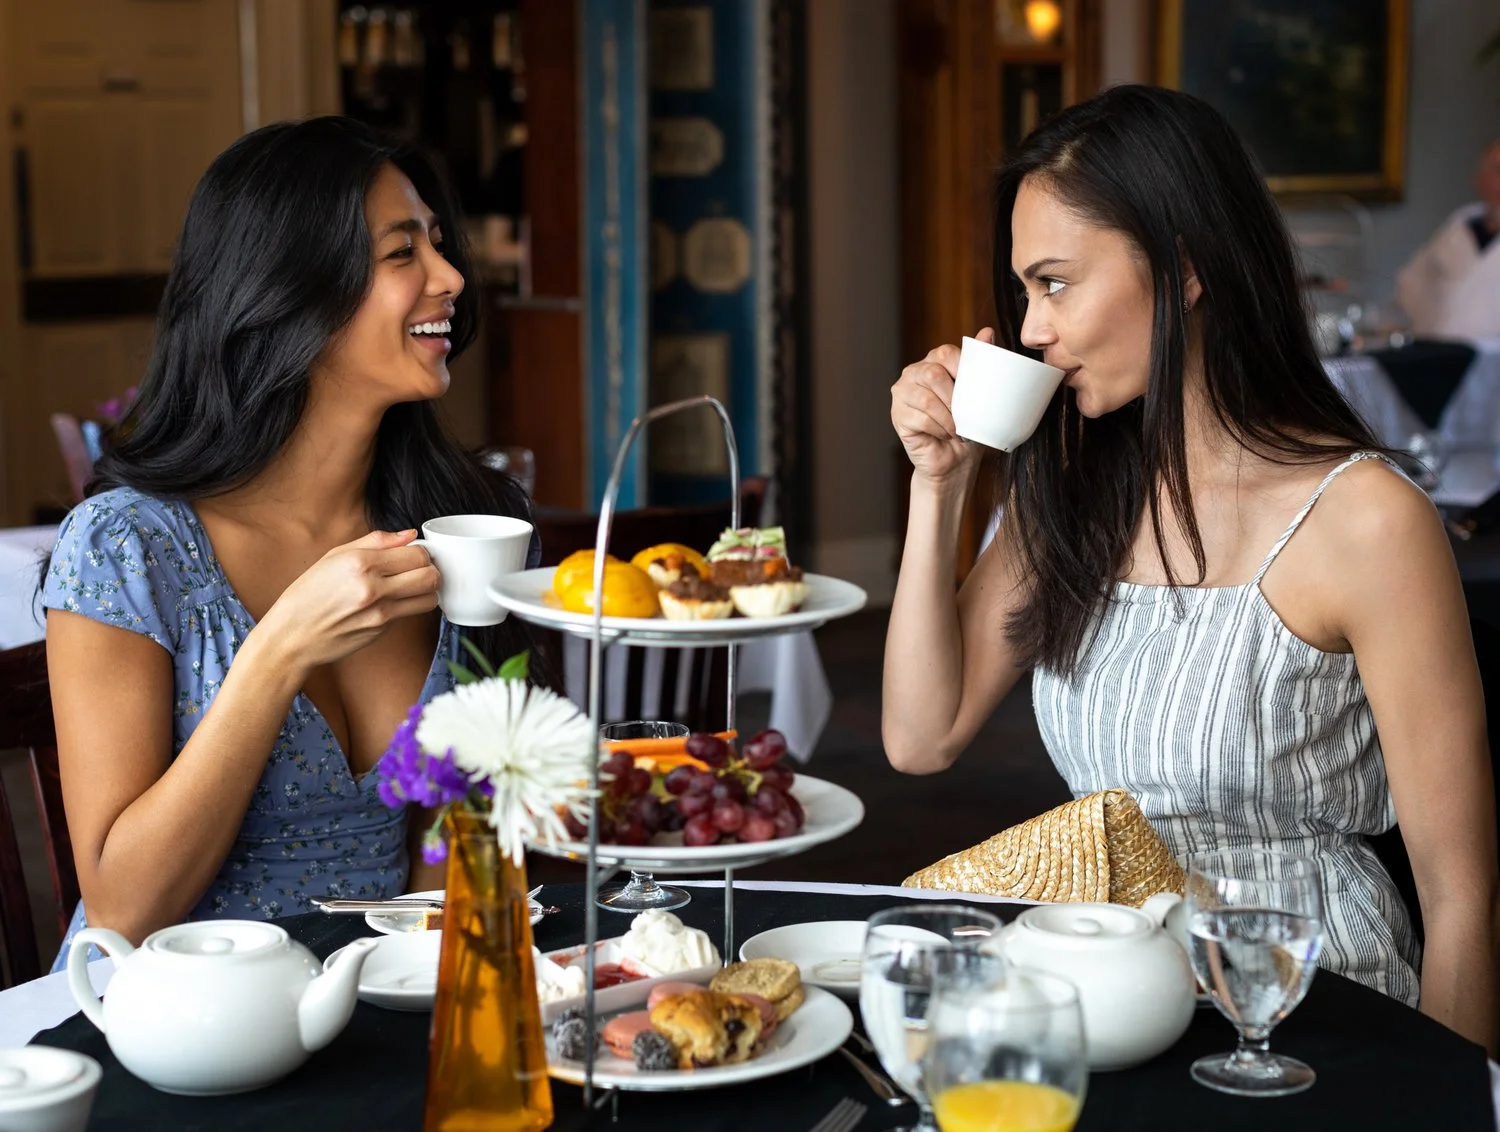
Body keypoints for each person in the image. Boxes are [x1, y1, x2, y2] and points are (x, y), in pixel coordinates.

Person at [885, 85, 1497, 1050]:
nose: (1031, 328)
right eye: (1024, 290)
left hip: (1307, 1008)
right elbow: (922, 737)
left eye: (1056, 282)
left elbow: (1463, 892)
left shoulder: (1365, 522)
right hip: (1112, 999)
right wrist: (939, 488)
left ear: (1185, 268)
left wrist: (1458, 1098)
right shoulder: (1068, 498)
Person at [41, 117, 539, 967]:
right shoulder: (127, 546)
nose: (451, 278)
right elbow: (121, 909)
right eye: (402, 253)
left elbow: (451, 844)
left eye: (440, 247)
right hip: (165, 1033)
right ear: (288, 289)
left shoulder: (459, 529)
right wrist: (277, 654)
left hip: (371, 1010)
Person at [1396, 138, 1500, 339]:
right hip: (1446, 350)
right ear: (1479, 179)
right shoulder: (1460, 225)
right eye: (1498, 171)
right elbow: (1413, 282)